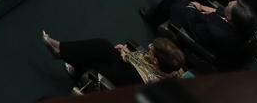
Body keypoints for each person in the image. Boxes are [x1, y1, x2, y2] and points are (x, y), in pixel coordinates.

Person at [39, 33, 186, 88]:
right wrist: (127, 53)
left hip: (123, 82)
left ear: (156, 61)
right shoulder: (174, 68)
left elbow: (114, 75)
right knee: (103, 44)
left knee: (94, 57)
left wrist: (123, 56)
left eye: (152, 49)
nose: (149, 46)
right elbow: (142, 60)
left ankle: (65, 56)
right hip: (127, 69)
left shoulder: (143, 79)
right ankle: (60, 49)